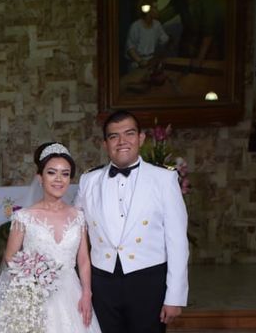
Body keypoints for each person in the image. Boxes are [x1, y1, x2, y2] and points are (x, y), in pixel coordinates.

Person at [75, 110, 189, 333]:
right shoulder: (89, 180)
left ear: (141, 138)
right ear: (105, 143)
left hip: (148, 280)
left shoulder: (165, 179)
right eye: (113, 136)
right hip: (102, 283)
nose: (122, 142)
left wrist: (175, 295)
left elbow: (177, 241)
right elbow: (73, 228)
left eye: (129, 133)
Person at [0, 142, 101, 333]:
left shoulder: (78, 216)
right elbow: (10, 257)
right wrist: (31, 277)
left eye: (65, 173)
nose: (59, 179)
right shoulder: (24, 217)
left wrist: (87, 293)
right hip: (34, 294)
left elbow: (84, 260)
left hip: (72, 292)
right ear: (40, 177)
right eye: (52, 172)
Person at [159, 0, 223, 69]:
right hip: (187, 45)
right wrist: (152, 15)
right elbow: (167, 13)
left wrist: (199, 59)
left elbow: (208, 34)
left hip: (207, 49)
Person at [125, 0, 170, 70]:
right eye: (155, 8)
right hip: (137, 63)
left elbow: (164, 39)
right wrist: (140, 61)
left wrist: (169, 40)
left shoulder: (157, 25)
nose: (157, 10)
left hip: (151, 61)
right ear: (147, 9)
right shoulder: (135, 26)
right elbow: (130, 48)